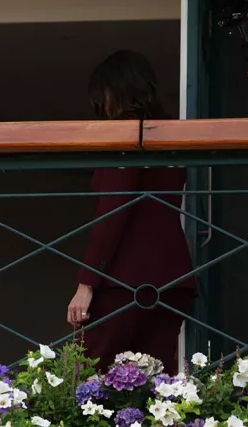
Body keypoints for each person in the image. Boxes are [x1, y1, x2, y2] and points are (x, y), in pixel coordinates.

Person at [67, 49, 197, 374]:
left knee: (90, 378)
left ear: (115, 91)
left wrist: (86, 283)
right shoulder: (171, 134)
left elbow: (114, 212)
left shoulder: (125, 132)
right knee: (157, 384)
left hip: (123, 282)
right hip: (172, 278)